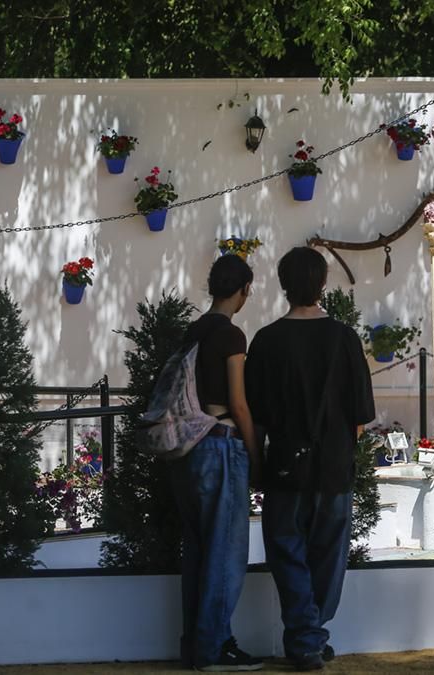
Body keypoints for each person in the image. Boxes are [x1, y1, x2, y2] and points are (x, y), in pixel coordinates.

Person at [246, 246, 375, 671]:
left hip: (285, 465)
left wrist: (256, 464)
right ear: (323, 284)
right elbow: (360, 417)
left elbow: (257, 416)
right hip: (334, 466)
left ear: (283, 285)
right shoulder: (345, 339)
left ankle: (306, 637)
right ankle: (310, 636)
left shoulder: (266, 340)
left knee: (286, 552)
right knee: (328, 556)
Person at [170, 254, 265, 672]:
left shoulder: (191, 331)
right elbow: (238, 404)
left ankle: (195, 646)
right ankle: (215, 648)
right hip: (222, 445)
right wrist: (256, 455)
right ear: (243, 290)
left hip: (188, 449)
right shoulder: (231, 336)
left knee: (197, 552)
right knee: (226, 554)